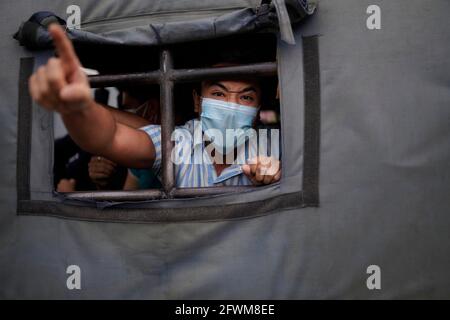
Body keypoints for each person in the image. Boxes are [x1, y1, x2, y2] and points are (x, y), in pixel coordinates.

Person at [29, 25, 281, 188]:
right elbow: (110, 138)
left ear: (259, 107)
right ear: (197, 101)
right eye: (218, 93)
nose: (232, 106)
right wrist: (78, 109)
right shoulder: (176, 142)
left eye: (246, 98)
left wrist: (276, 175)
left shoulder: (277, 146)